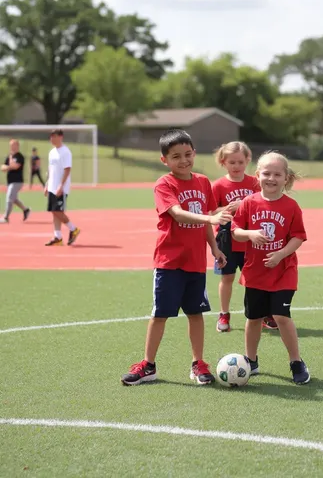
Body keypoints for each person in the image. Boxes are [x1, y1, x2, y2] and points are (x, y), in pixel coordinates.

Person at [121, 128, 233, 386]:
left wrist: (215, 248)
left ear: (194, 153)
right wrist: (211, 217)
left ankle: (198, 363)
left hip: (195, 262)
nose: (183, 160)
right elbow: (178, 213)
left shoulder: (203, 182)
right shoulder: (164, 184)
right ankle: (148, 365)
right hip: (169, 262)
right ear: (165, 160)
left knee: (196, 313)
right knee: (160, 314)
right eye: (175, 156)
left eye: (187, 154)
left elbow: (205, 222)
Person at [231, 150, 310, 385]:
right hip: (255, 271)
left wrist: (281, 254)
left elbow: (298, 237)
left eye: (277, 174)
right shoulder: (249, 202)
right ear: (258, 175)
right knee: (253, 318)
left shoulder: (291, 206)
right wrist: (250, 233)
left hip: (283, 270)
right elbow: (235, 230)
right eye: (267, 173)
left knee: (281, 315)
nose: (271, 178)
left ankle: (296, 362)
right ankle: (251, 361)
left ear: (286, 178)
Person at [212, 141, 278, 333]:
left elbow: (266, 203)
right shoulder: (218, 185)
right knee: (228, 277)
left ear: (248, 160)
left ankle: (263, 313)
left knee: (256, 278)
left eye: (240, 162)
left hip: (251, 239)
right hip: (227, 239)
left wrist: (248, 205)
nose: (236, 166)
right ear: (223, 162)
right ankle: (224, 313)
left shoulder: (254, 183)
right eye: (232, 162)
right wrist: (227, 208)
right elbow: (211, 212)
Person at [44, 129, 80, 246]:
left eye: (54, 136)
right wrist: (47, 184)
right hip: (51, 186)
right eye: (51, 136)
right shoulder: (51, 152)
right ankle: (57, 237)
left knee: (57, 211)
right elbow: (50, 169)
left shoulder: (65, 152)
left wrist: (61, 185)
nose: (52, 139)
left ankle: (73, 229)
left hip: (61, 188)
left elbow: (67, 169)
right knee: (54, 212)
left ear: (61, 137)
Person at [0, 139, 31, 224]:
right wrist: (8, 166)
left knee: (9, 197)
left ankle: (6, 217)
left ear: (17, 146)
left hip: (17, 181)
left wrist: (8, 167)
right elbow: (3, 167)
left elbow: (15, 166)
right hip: (10, 181)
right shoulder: (9, 156)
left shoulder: (19, 156)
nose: (12, 147)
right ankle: (26, 210)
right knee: (13, 199)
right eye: (11, 145)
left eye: (13, 145)